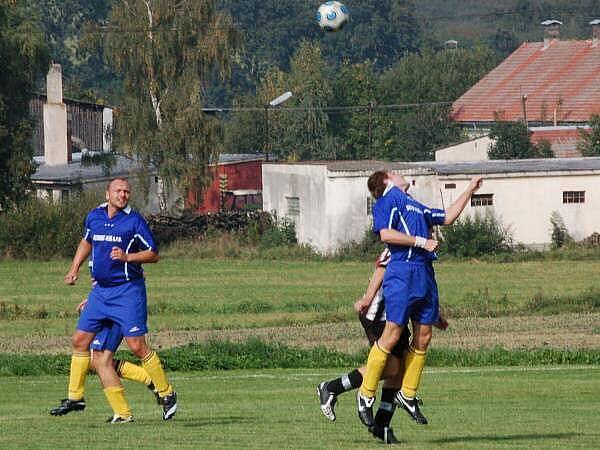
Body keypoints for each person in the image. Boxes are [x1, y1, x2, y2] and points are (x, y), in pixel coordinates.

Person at [356, 171, 482, 428]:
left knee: (424, 336)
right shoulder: (386, 201)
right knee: (392, 334)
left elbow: (446, 217)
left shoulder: (413, 203)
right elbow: (386, 235)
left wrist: (470, 190)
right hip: (402, 272)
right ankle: (366, 394)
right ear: (386, 180)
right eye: (394, 171)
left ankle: (408, 393)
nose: (400, 173)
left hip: (425, 274)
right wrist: (421, 241)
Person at [50, 178, 177, 423]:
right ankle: (77, 398)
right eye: (118, 191)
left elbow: (153, 254)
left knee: (136, 346)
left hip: (127, 292)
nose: (123, 195)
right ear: (107, 193)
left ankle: (166, 392)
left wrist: (128, 256)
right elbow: (87, 242)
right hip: (100, 293)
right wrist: (74, 268)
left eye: (127, 191)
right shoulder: (95, 216)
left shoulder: (134, 221)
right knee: (81, 343)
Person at [317, 247, 448, 444]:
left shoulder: (419, 243)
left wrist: (432, 315)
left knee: (399, 368)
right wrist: (368, 298)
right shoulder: (402, 241)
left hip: (397, 315)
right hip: (380, 314)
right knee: (393, 367)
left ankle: (381, 426)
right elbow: (381, 267)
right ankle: (332, 387)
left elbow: (419, 284)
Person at [50, 298, 159, 416]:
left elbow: (119, 284)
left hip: (114, 310)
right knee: (96, 361)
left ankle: (123, 412)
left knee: (99, 360)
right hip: (104, 306)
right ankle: (149, 383)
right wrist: (91, 301)